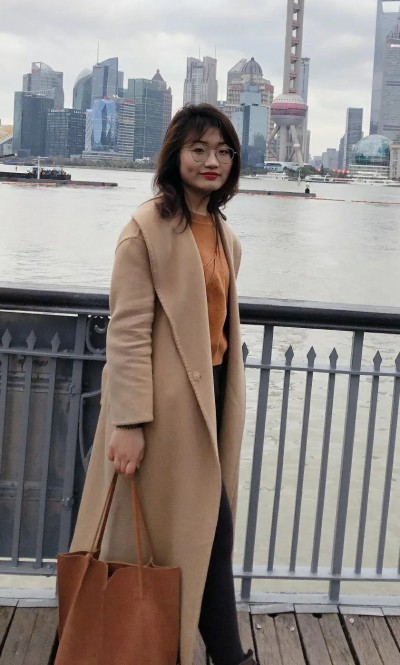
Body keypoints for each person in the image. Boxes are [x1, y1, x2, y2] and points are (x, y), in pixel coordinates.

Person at [70, 104, 255, 665]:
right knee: (201, 534)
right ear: (175, 155)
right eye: (198, 149)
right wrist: (128, 421)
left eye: (223, 151)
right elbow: (127, 331)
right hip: (164, 412)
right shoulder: (145, 230)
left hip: (212, 401)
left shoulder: (225, 235)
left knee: (203, 536)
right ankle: (226, 657)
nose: (211, 161)